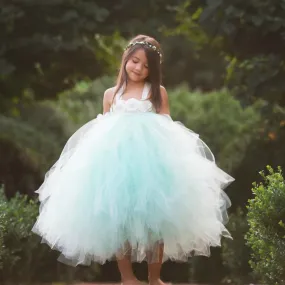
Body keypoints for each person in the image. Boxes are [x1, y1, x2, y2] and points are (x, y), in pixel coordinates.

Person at [32, 34, 234, 285]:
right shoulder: (111, 94)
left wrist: (171, 159)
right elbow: (103, 127)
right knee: (120, 222)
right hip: (116, 166)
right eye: (135, 61)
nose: (139, 68)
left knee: (156, 224)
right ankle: (127, 277)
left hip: (151, 164)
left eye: (147, 65)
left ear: (154, 70)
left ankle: (154, 278)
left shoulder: (157, 92)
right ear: (125, 59)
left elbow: (167, 126)